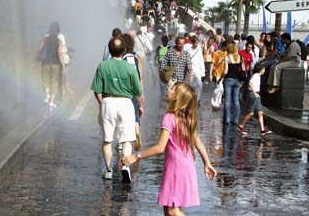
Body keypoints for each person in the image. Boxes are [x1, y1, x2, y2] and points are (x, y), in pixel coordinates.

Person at [122, 82, 217, 216]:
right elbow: (199, 142)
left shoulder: (169, 118)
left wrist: (135, 156)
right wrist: (207, 163)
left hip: (176, 168)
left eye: (173, 89)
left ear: (177, 97)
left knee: (172, 211)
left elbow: (160, 147)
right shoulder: (186, 118)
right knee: (169, 208)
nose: (169, 89)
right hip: (185, 166)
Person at [90, 37, 144, 183]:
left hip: (108, 102)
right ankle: (125, 165)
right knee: (126, 139)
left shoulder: (102, 66)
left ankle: (108, 170)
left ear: (110, 49)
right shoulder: (130, 68)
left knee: (107, 139)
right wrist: (140, 106)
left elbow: (97, 90)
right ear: (124, 50)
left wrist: (102, 103)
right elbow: (138, 92)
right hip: (126, 103)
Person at [122, 33, 144, 151]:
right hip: (135, 90)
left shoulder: (121, 57)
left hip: (124, 91)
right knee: (135, 114)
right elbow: (140, 77)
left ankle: (123, 141)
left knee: (124, 116)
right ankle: (137, 132)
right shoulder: (137, 58)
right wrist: (141, 94)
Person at [237, 64, 272, 136]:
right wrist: (254, 93)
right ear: (261, 69)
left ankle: (262, 130)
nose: (264, 71)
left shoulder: (258, 76)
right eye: (264, 69)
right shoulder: (255, 76)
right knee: (251, 113)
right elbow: (250, 83)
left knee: (260, 112)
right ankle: (241, 125)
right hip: (253, 95)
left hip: (256, 95)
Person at [37, 22, 65, 108]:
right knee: (54, 82)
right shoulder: (59, 41)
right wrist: (63, 64)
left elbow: (40, 49)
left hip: (45, 63)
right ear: (58, 31)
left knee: (45, 80)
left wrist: (37, 57)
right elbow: (59, 53)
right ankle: (52, 102)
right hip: (56, 64)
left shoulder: (45, 39)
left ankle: (47, 95)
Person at [222, 43, 242, 125]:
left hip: (228, 79)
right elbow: (243, 69)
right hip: (237, 80)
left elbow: (225, 71)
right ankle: (236, 120)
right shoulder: (240, 57)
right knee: (236, 100)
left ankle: (227, 120)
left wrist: (221, 78)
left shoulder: (227, 57)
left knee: (227, 100)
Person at [186, 35, 205, 105]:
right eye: (195, 43)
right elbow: (186, 61)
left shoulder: (199, 49)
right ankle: (191, 99)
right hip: (190, 71)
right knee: (191, 86)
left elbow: (201, 60)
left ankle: (197, 100)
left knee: (199, 85)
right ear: (192, 43)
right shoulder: (187, 50)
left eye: (197, 43)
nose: (197, 44)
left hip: (198, 71)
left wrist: (203, 73)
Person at [210, 41, 227, 110]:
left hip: (224, 74)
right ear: (223, 46)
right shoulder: (217, 53)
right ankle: (214, 103)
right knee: (220, 88)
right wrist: (210, 74)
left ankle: (218, 104)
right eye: (226, 46)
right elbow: (212, 64)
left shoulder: (226, 54)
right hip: (217, 73)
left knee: (221, 90)